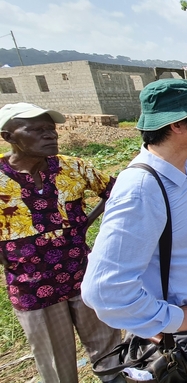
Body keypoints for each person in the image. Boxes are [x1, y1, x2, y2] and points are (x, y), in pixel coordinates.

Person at [81, 79, 187, 383]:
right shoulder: (142, 189)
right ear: (178, 125)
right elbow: (104, 289)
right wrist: (168, 320)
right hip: (185, 326)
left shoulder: (182, 169)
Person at [0, 103, 121, 383]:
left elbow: (116, 191)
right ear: (8, 136)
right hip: (33, 287)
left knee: (110, 349)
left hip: (83, 274)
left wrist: (88, 224)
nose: (50, 135)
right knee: (56, 364)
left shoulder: (73, 167)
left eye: (51, 129)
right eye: (36, 130)